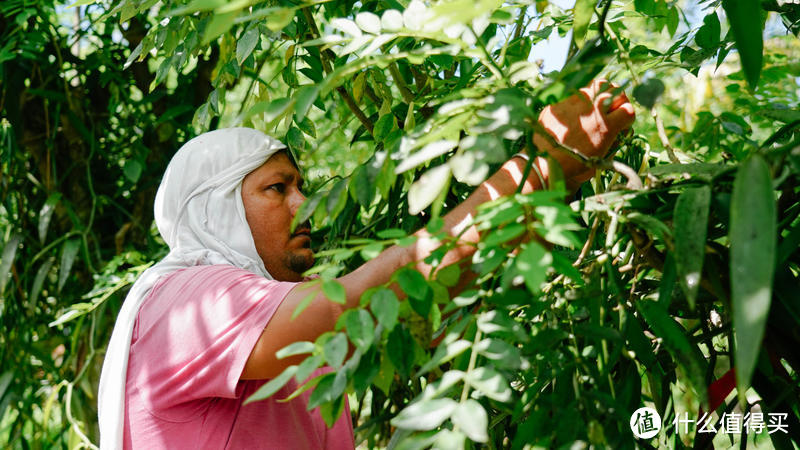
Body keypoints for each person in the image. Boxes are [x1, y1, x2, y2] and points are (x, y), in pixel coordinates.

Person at [97, 80, 635, 449]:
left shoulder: (269, 315)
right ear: (215, 210)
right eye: (277, 188)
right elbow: (369, 298)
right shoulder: (188, 301)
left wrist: (554, 181)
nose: (302, 205)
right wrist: (533, 172)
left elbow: (418, 295)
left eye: (300, 186)